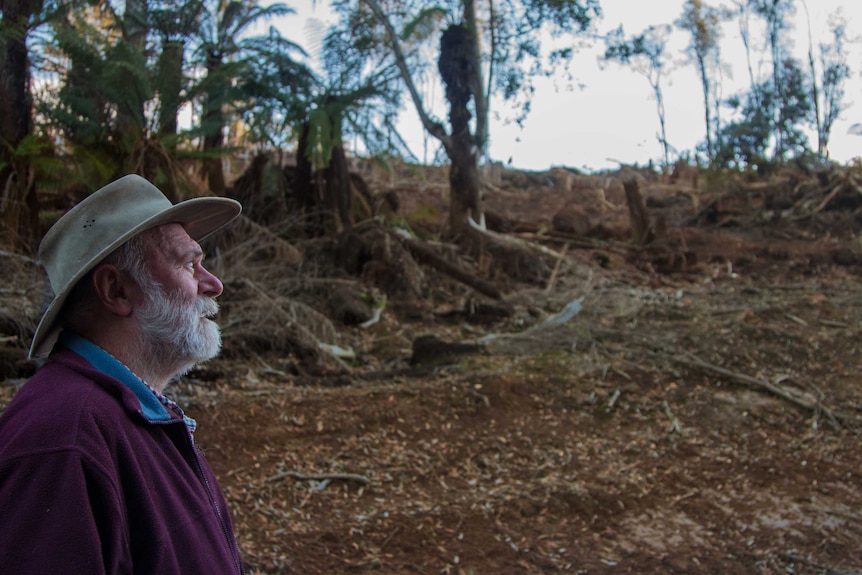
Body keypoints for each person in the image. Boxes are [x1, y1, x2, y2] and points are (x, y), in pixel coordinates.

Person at [0, 174, 245, 574]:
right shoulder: (63, 443)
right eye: (188, 264)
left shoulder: (128, 413)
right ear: (116, 291)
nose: (213, 284)